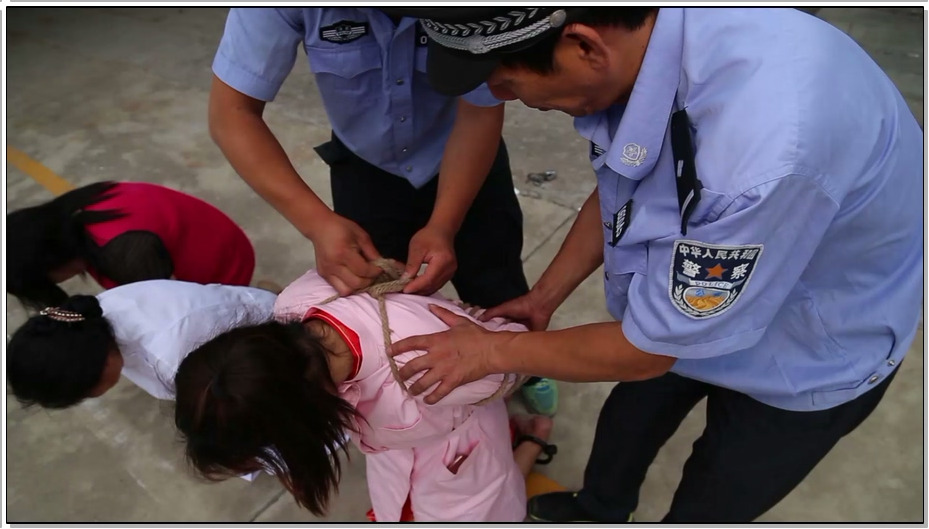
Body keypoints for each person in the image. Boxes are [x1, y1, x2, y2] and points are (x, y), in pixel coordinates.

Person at [385, 7, 924, 523]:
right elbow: (631, 182)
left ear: (583, 47)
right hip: (677, 309)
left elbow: (647, 352)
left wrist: (489, 351)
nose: (500, 96)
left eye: (505, 81)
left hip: (804, 349)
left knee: (715, 496)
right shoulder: (653, 47)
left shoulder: (758, 151)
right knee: (625, 427)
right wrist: (544, 297)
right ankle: (602, 509)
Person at [208, 7, 557, 415]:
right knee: (380, 299)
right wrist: (318, 224)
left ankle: (527, 367)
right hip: (365, 168)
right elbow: (231, 113)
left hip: (466, 164)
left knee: (497, 284)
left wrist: (444, 224)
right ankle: (415, 397)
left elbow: (479, 108)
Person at [173, 267, 558, 522]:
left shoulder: (429, 365)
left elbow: (513, 356)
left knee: (478, 509)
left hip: (459, 449)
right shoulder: (295, 303)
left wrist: (488, 336)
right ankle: (526, 437)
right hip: (403, 446)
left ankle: (531, 439)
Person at [7, 280, 276, 408]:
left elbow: (250, 390)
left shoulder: (171, 356)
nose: (91, 396)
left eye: (87, 391)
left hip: (271, 340)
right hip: (242, 310)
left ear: (98, 363)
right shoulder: (96, 314)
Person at [7, 181, 256, 310]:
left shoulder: (123, 254)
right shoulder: (72, 211)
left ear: (51, 262)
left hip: (224, 268)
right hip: (216, 235)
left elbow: (171, 308)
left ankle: (261, 308)